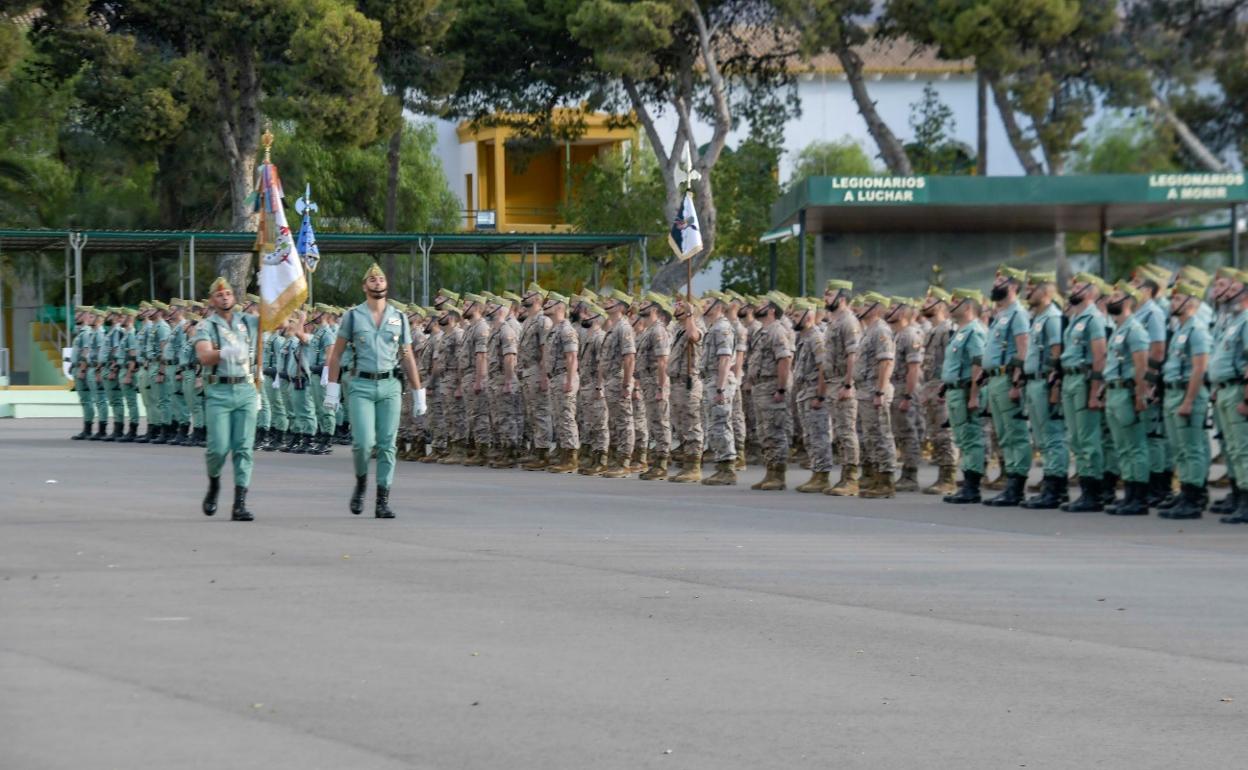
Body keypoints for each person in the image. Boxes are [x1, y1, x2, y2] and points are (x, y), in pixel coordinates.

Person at [324, 263, 425, 518]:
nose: (377, 282)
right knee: (363, 443)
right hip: (360, 384)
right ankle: (361, 483)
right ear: (364, 286)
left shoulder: (399, 317)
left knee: (387, 444)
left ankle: (382, 499)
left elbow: (407, 355)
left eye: (380, 279)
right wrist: (332, 389)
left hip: (390, 385)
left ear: (386, 285)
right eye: (372, 279)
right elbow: (336, 355)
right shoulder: (353, 316)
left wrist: (418, 392)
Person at [192, 277, 259, 522]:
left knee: (244, 447)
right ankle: (214, 483)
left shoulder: (248, 321)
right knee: (218, 448)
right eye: (219, 295)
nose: (225, 298)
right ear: (212, 300)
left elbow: (278, 321)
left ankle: (240, 503)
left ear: (235, 297)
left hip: (245, 390)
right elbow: (204, 356)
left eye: (229, 294)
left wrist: (270, 285)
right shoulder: (206, 326)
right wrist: (227, 352)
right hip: (219, 392)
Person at [1157, 281, 1212, 519]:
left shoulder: (1196, 329)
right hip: (1172, 392)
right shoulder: (1181, 329)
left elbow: (1199, 369)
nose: (1173, 302)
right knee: (1180, 448)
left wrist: (1189, 401)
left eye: (1178, 299)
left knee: (1192, 448)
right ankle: (1185, 491)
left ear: (1192, 302)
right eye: (1172, 298)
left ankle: (1194, 495)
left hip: (1186, 392)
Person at [980, 266, 1031, 506]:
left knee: (1015, 433)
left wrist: (1018, 382)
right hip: (995, 379)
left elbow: (1023, 348)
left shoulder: (1018, 313)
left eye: (1000, 281)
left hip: (1008, 378)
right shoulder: (1001, 314)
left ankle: (1017, 486)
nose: (994, 284)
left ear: (1012, 286)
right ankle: (1010, 482)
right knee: (1004, 434)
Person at [1059, 273, 1110, 512]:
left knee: (1088, 438)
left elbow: (1099, 356)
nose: (1074, 288)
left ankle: (1094, 493)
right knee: (1076, 439)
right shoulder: (1077, 317)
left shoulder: (1094, 319)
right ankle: (1085, 489)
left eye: (1080, 285)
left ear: (1091, 292)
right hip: (1070, 379)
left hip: (1083, 380)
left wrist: (1095, 391)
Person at [1101, 281, 1152, 515]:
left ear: (1129, 301)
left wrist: (1141, 395)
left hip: (1127, 392)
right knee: (1123, 447)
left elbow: (1142, 366)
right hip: (1114, 391)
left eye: (1117, 295)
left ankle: (1139, 498)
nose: (1111, 299)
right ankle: (1129, 493)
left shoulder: (1135, 330)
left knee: (1135, 446)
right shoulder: (1119, 330)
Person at [1019, 272, 1069, 509]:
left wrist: (1055, 387)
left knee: (1053, 436)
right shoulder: (1037, 317)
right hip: (1033, 382)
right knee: (1042, 438)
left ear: (1046, 291)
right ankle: (1050, 483)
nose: (1028, 291)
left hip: (1045, 382)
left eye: (1033, 287)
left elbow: (1056, 352)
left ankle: (1056, 487)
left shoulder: (1052, 317)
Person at [942, 289, 989, 504]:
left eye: (957, 302)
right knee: (963, 438)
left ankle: (972, 487)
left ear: (968, 307)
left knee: (971, 437)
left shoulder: (973, 331)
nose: (952, 305)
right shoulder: (961, 331)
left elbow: (978, 365)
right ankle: (968, 483)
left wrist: (973, 396)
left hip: (964, 391)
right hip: (955, 391)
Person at [1209, 269, 1248, 524]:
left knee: (1243, 449)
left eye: (1235, 291)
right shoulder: (1234, 321)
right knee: (1233, 449)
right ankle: (1238, 496)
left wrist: (1246, 399)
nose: (1229, 295)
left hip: (1237, 390)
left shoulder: (1245, 321)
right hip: (1224, 389)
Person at [747, 291, 795, 491]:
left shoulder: (777, 330)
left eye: (763, 303)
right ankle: (770, 472)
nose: (758, 305)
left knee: (775, 431)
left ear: (772, 310)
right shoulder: (763, 331)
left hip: (772, 386)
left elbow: (784, 360)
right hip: (760, 386)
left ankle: (778, 474)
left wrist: (781, 388)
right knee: (765, 432)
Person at [854, 293, 897, 499]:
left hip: (875, 390)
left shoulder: (880, 330)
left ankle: (886, 480)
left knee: (881, 434)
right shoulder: (868, 331)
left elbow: (886, 362)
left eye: (866, 304)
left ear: (877, 309)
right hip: (865, 390)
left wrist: (880, 390)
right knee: (871, 435)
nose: (861, 308)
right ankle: (876, 477)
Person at [821, 280, 862, 496]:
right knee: (839, 431)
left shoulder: (848, 322)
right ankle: (844, 476)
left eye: (830, 294)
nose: (825, 298)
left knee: (846, 431)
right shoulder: (834, 322)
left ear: (842, 298)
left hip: (843, 383)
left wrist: (848, 383)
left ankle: (851, 478)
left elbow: (852, 355)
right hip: (833, 382)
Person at [919, 287, 958, 495]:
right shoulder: (932, 330)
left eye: (929, 301)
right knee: (935, 432)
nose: (924, 305)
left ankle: (948, 478)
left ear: (941, 305)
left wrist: (944, 388)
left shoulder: (947, 329)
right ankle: (942, 474)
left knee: (945, 433)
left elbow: (951, 362)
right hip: (932, 385)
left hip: (943, 387)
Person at [792, 298, 833, 493]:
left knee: (819, 435)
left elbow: (823, 368)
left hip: (813, 392)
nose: (793, 318)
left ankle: (822, 475)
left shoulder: (816, 338)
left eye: (797, 315)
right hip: (804, 392)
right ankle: (816, 472)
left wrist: (820, 395)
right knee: (810, 435)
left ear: (808, 316)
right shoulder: (804, 337)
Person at [699, 291, 739, 485]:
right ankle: (721, 466)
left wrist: (721, 388)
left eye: (706, 302)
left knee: (721, 424)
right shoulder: (713, 327)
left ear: (717, 307)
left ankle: (728, 469)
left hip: (719, 380)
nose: (702, 305)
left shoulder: (722, 328)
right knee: (714, 425)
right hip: (712, 380)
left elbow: (725, 359)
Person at [887, 296, 925, 492]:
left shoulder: (910, 335)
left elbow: (914, 369)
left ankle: (910, 475)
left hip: (904, 388)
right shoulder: (897, 334)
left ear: (902, 313)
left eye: (892, 308)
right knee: (899, 433)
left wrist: (908, 396)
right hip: (895, 387)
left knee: (908, 432)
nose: (888, 311)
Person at [636, 292, 673, 480]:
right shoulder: (648, 330)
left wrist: (660, 387)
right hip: (648, 382)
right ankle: (657, 460)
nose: (640, 305)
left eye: (645, 303)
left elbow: (663, 362)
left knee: (660, 422)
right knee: (654, 422)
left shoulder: (658, 330)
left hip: (656, 382)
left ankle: (662, 463)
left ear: (654, 309)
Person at [542, 291, 581, 473]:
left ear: (559, 307)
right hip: (556, 377)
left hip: (564, 376)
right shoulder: (554, 328)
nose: (545, 305)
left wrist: (570, 380)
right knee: (559, 417)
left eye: (549, 302)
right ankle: (563, 451)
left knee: (566, 417)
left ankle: (571, 457)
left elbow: (572, 357)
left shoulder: (566, 329)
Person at [668, 294, 705, 483]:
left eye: (681, 305)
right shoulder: (677, 328)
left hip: (689, 381)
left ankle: (693, 466)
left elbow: (694, 336)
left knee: (691, 424)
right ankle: (686, 463)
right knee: (680, 424)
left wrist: (690, 315)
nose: (677, 306)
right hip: (675, 382)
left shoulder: (696, 325)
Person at [518, 282, 554, 469]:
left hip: (537, 370)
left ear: (539, 299)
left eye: (530, 294)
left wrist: (543, 374)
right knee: (531, 413)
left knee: (540, 412)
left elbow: (544, 350)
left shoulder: (542, 320)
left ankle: (543, 452)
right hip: (527, 372)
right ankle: (535, 449)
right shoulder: (527, 321)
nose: (525, 296)